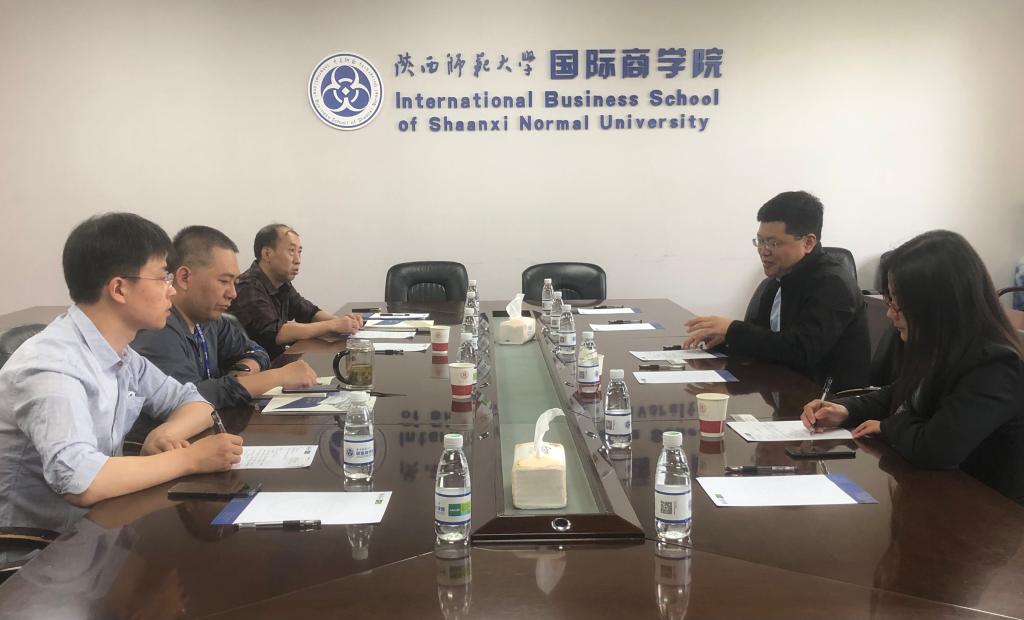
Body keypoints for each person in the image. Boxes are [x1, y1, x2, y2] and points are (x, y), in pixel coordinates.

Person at [0, 213, 243, 533]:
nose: (171, 291)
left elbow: (194, 402)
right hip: (39, 549)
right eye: (163, 278)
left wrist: (166, 434)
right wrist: (189, 459)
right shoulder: (51, 366)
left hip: (100, 527)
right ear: (119, 288)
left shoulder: (122, 354)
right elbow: (80, 481)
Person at [801, 230, 1024, 505]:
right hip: (941, 495)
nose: (890, 313)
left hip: (990, 512)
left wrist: (888, 426)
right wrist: (846, 410)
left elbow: (936, 449)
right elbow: (901, 394)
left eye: (898, 303)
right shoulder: (944, 346)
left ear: (939, 304)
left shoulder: (996, 366)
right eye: (890, 300)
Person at [683, 191, 870, 391]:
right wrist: (726, 339)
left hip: (826, 400)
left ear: (808, 242)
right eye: (760, 241)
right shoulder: (779, 279)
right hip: (780, 389)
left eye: (773, 243)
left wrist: (733, 330)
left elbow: (801, 351)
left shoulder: (832, 284)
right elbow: (764, 342)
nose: (763, 251)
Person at [132, 225, 318, 416]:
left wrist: (244, 369)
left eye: (234, 283)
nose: (233, 293)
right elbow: (188, 401)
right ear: (184, 277)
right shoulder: (158, 329)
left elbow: (256, 351)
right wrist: (277, 377)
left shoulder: (209, 320)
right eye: (223, 281)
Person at [229, 224, 363, 359]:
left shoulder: (281, 282)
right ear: (267, 254)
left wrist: (346, 323)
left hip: (276, 359)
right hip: (256, 365)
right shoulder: (248, 286)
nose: (298, 260)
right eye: (291, 251)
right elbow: (276, 332)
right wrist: (333, 325)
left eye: (299, 252)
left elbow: (308, 311)